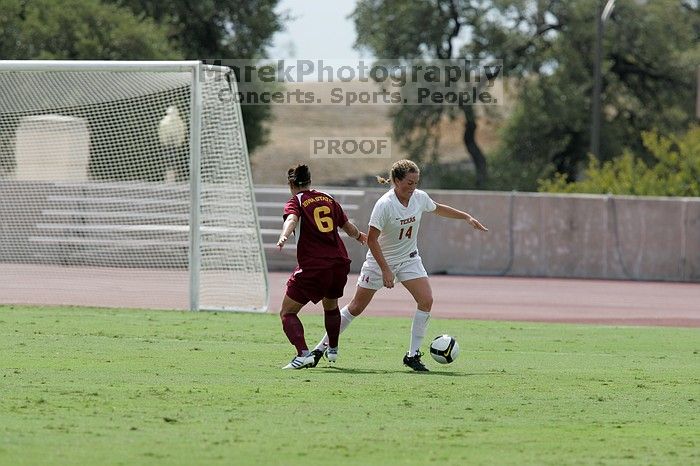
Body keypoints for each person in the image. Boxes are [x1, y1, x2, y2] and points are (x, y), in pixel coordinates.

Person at [311, 159, 488, 371]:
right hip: (380, 262)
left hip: (409, 259)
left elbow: (438, 208)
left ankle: (412, 355)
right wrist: (386, 270)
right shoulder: (385, 205)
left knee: (426, 300)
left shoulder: (419, 198)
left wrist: (466, 217)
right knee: (356, 307)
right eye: (409, 183)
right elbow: (373, 240)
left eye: (416, 182)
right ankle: (320, 348)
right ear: (396, 181)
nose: (413, 188)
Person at [277, 164, 367, 369]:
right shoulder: (328, 198)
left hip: (315, 265)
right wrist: (360, 236)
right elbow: (347, 226)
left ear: (291, 183)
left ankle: (303, 354)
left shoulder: (296, 201)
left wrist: (284, 235)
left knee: (287, 312)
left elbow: (292, 218)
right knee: (331, 304)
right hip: (339, 263)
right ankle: (333, 349)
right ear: (309, 180)